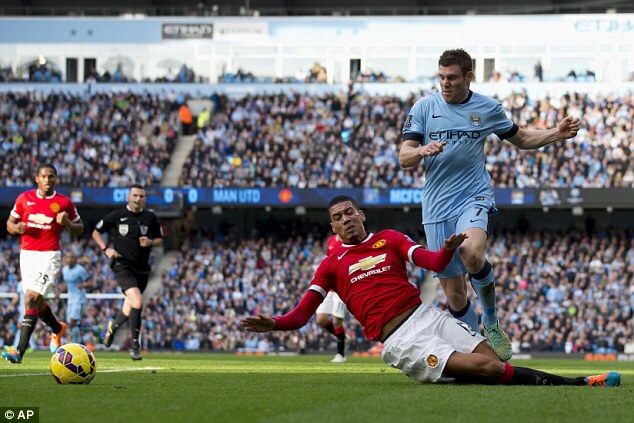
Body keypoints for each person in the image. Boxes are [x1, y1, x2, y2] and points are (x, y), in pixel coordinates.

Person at [241, 196, 620, 387]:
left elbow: (433, 262)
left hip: (428, 316)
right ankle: (578, 383)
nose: (346, 219)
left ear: (361, 215)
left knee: (494, 365)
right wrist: (274, 324)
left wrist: (449, 249)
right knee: (491, 369)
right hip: (402, 340)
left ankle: (451, 373)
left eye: (350, 212)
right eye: (337, 217)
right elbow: (302, 315)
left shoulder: (390, 239)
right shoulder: (330, 265)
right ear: (333, 228)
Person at [398, 49, 581, 361]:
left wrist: (556, 134)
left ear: (469, 77)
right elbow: (404, 157)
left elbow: (521, 139)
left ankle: (492, 320)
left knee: (471, 252)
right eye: (441, 77)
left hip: (473, 195)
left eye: (452, 77)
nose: (445, 83)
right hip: (437, 205)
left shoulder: (487, 108)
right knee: (455, 295)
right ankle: (479, 353)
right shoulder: (424, 107)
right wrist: (421, 151)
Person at [2, 164, 84, 364]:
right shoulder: (24, 199)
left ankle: (19, 351)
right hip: (27, 255)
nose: (48, 180)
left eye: (51, 176)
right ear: (37, 178)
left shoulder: (64, 202)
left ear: (56, 179)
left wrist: (67, 223)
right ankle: (57, 328)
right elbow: (9, 223)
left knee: (31, 297)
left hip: (49, 255)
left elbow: (79, 228)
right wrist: (16, 228)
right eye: (44, 176)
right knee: (36, 303)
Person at [92, 184, 163, 360]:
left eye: (141, 196)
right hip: (122, 266)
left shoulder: (150, 217)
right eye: (135, 195)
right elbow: (96, 233)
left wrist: (150, 242)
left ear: (145, 199)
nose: (138, 199)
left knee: (129, 307)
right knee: (137, 302)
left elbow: (159, 239)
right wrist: (106, 249)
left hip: (142, 269)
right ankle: (135, 347)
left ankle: (113, 327)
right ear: (128, 197)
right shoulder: (117, 215)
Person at [315, 234, 350, 363]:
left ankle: (341, 355)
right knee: (320, 319)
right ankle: (343, 337)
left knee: (336, 321)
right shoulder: (330, 241)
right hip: (329, 287)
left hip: (341, 288)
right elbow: (328, 259)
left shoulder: (349, 241)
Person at [60, 252, 92, 344]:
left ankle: (65, 334)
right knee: (73, 324)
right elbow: (67, 283)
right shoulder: (64, 270)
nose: (70, 259)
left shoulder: (80, 270)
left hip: (79, 298)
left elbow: (90, 282)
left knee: (73, 320)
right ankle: (75, 342)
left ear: (75, 259)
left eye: (72, 257)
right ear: (65, 259)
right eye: (68, 257)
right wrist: (59, 291)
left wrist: (82, 286)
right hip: (70, 298)